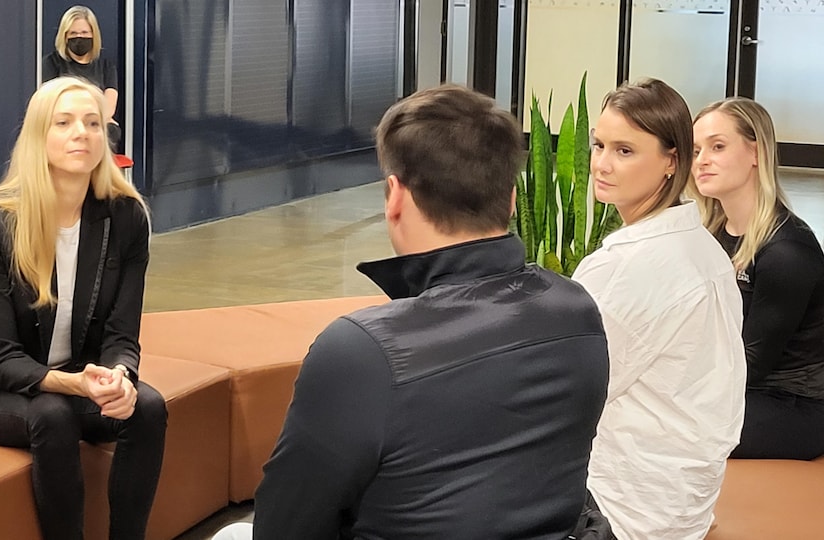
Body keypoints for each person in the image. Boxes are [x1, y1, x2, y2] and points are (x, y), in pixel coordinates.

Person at [214, 85, 611, 539]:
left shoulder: (362, 351)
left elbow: (286, 526)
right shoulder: (578, 310)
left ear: (394, 195)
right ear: (513, 199)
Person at [0, 77, 166, 540]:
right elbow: (3, 360)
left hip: (71, 376)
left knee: (146, 407)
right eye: (63, 122)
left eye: (92, 123)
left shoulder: (126, 218)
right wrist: (76, 384)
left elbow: (122, 335)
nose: (81, 133)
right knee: (52, 413)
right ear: (37, 137)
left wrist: (120, 377)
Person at [571, 78, 747, 540]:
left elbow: (570, 393)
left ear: (671, 161)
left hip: (621, 507)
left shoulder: (623, 267)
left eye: (625, 151)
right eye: (599, 145)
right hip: (685, 498)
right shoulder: (705, 248)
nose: (602, 165)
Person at [690, 97, 824, 460]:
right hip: (741, 389)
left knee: (667, 424)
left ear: (756, 153)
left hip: (794, 405)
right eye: (696, 149)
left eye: (717, 146)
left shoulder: (787, 251)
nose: (701, 160)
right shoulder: (713, 234)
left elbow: (751, 362)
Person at [43, 5, 122, 151]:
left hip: (97, 125)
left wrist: (93, 121)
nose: (79, 38)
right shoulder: (51, 63)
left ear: (93, 35)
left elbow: (109, 106)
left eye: (85, 33)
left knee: (111, 131)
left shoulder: (106, 66)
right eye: (73, 33)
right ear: (64, 36)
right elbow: (50, 103)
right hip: (64, 125)